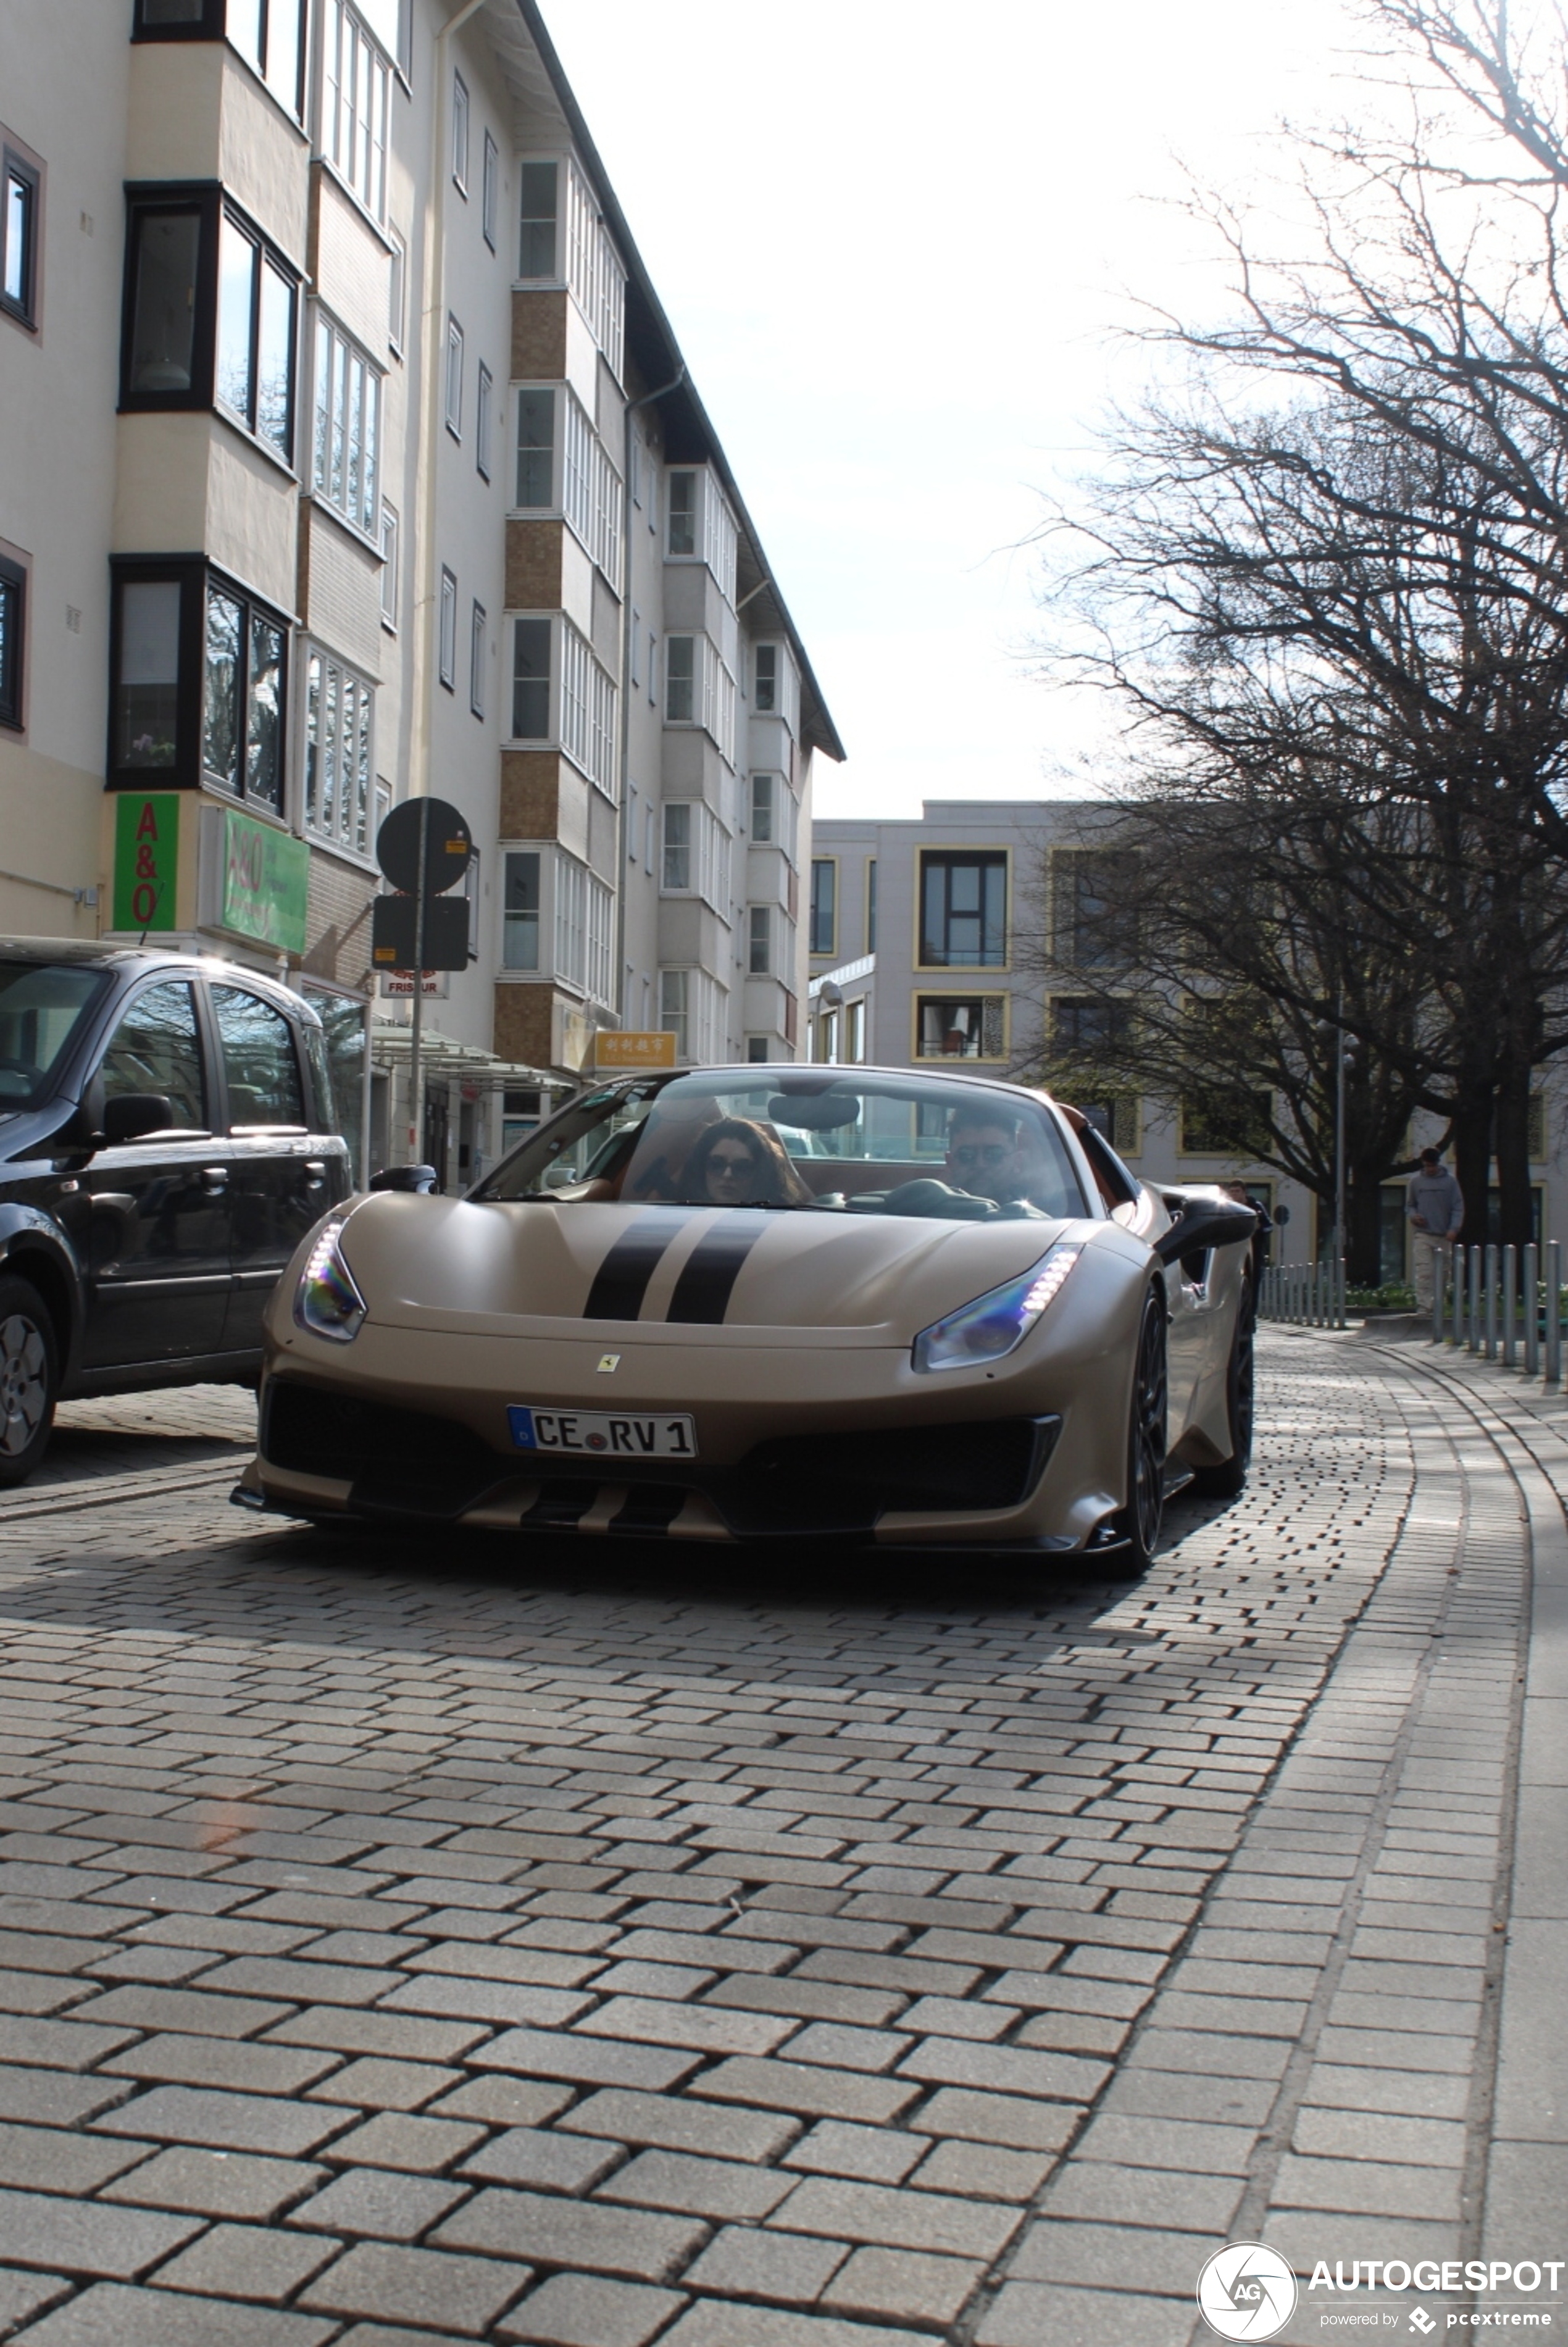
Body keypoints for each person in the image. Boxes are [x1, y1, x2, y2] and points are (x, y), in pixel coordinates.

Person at [682, 1117, 812, 1206]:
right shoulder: (676, 1213)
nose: (728, 1175)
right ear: (701, 1167)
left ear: (761, 1173)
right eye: (716, 1165)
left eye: (742, 1168)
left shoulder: (780, 1222)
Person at [1407, 1146, 1464, 1312]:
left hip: (1444, 1235)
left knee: (1443, 1273)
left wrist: (1454, 1228)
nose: (1430, 1169)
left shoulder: (1451, 1182)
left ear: (1438, 1164)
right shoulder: (1416, 1182)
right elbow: (1410, 1205)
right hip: (1423, 1234)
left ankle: (1438, 1304)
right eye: (1427, 1166)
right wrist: (1413, 1216)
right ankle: (1424, 1306)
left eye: (1432, 1166)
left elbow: (1458, 1207)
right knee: (1424, 1271)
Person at [944, 1107, 1024, 1206]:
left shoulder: (1037, 1217)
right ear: (950, 1162)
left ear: (1017, 1161)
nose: (980, 1164)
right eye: (966, 1155)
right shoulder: (927, 1214)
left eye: (994, 1155)